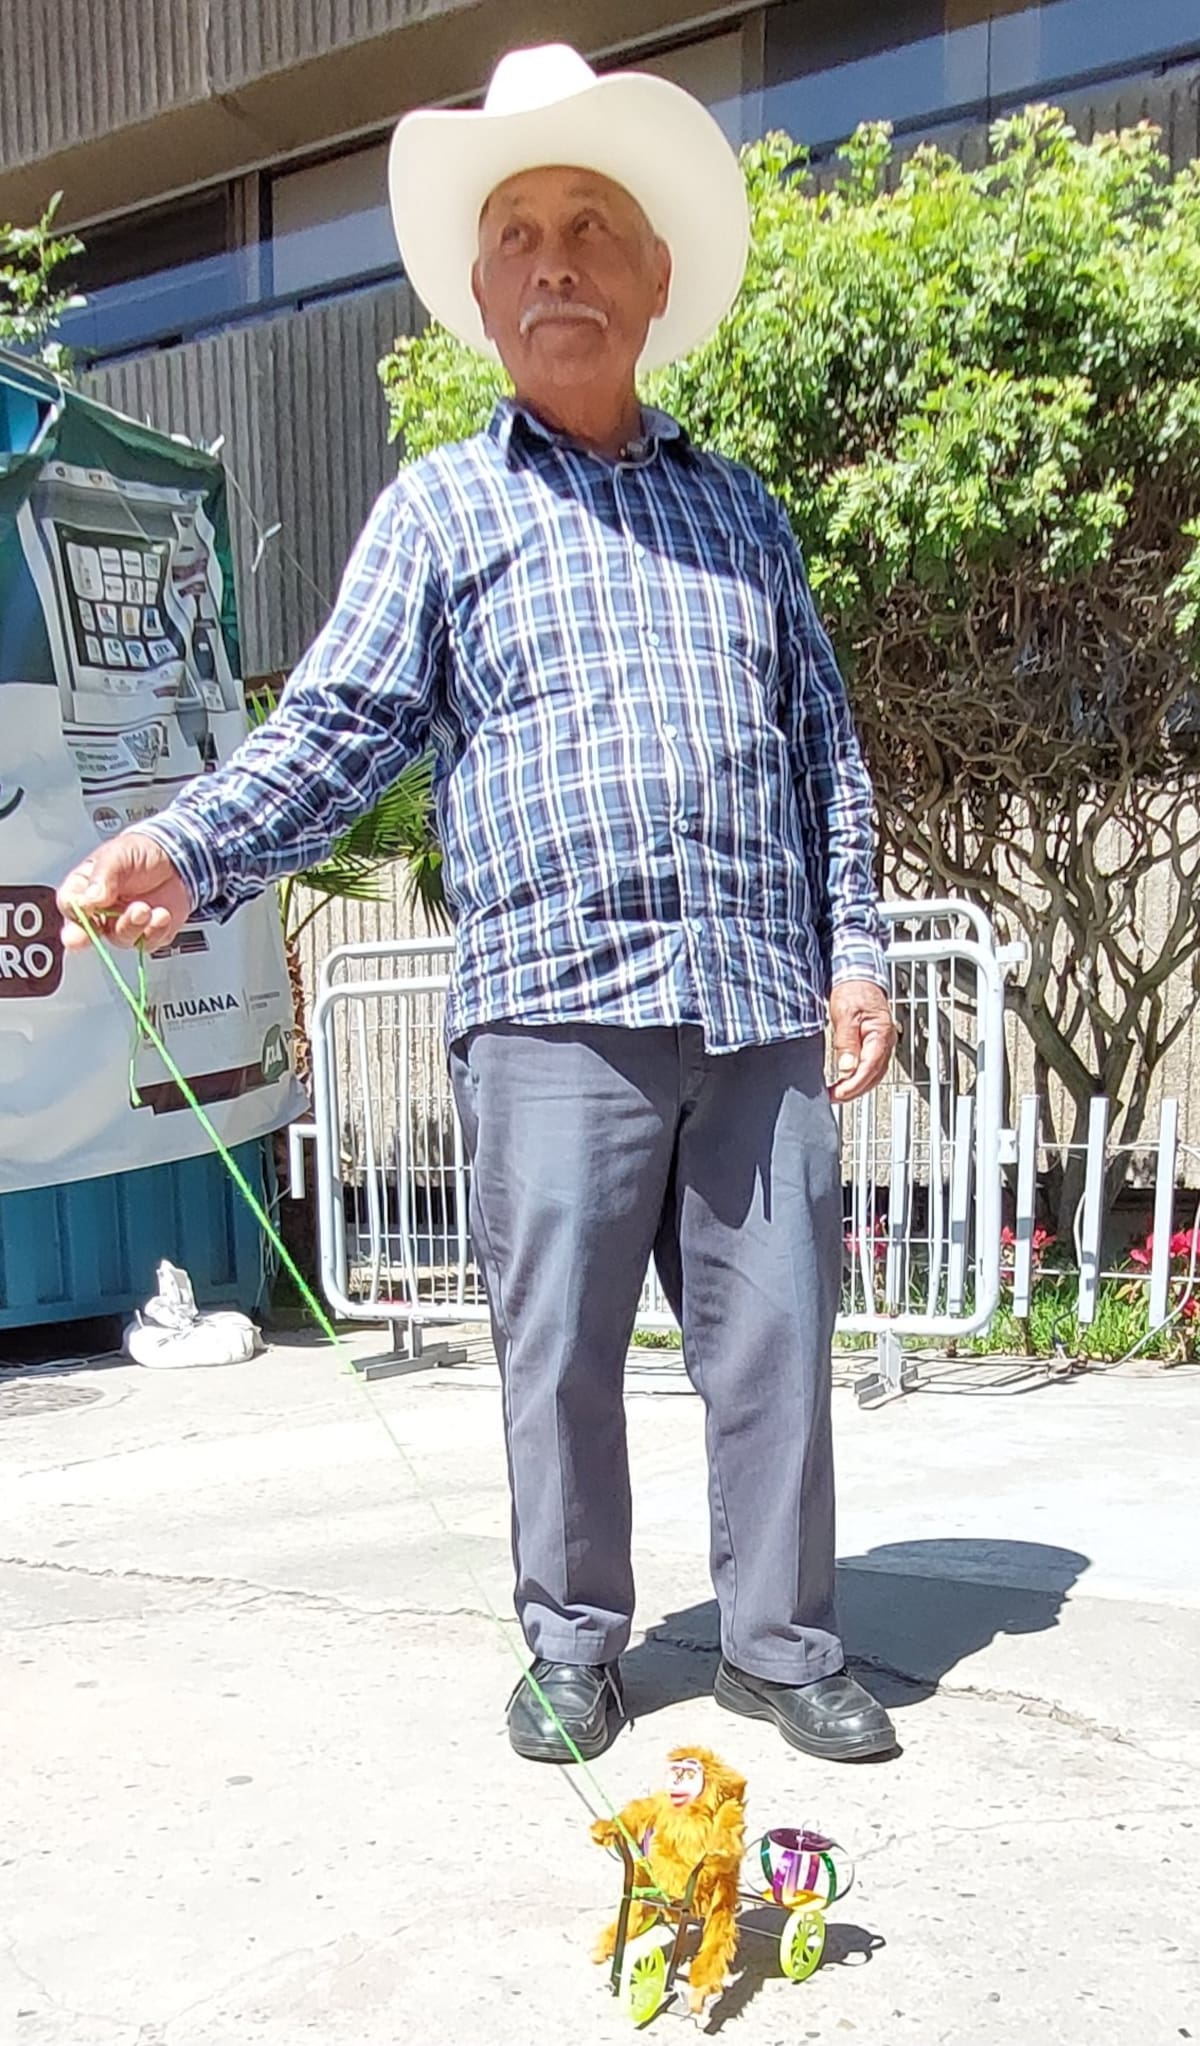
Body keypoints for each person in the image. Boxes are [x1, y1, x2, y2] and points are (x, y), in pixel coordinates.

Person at [60, 44, 899, 1767]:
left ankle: (778, 1639)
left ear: (655, 282)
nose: (558, 258)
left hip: (755, 1003)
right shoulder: (447, 508)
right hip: (549, 1008)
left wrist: (860, 951)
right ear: (483, 291)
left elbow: (830, 750)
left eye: (592, 224)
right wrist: (191, 846)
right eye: (519, 233)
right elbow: (335, 732)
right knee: (559, 1360)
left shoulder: (742, 512)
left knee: (780, 1348)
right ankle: (577, 1641)